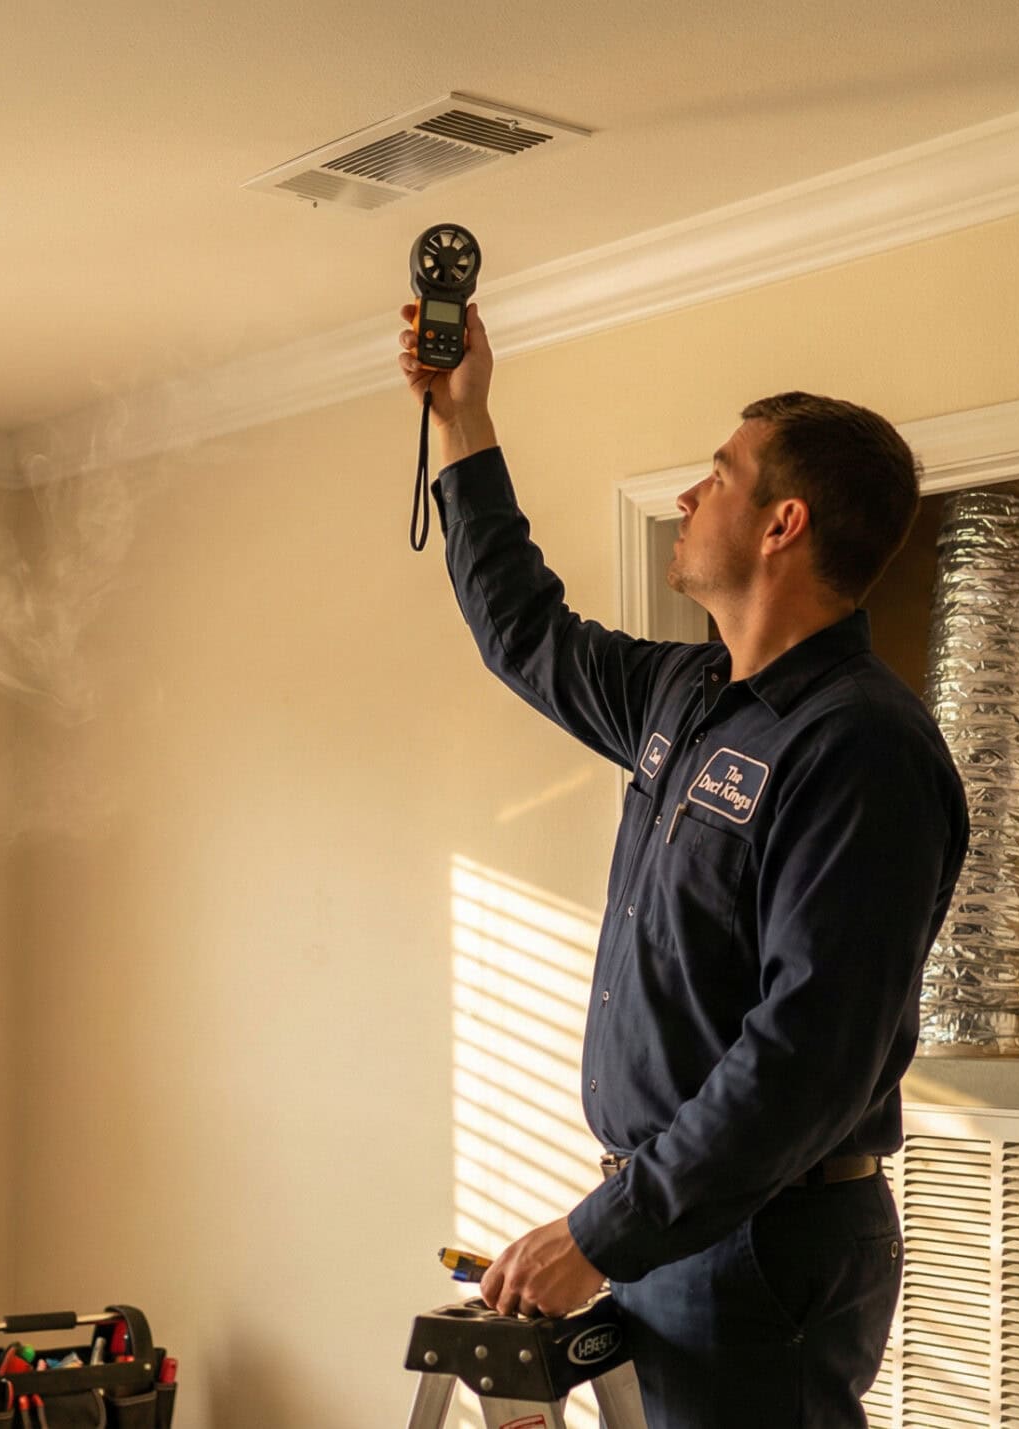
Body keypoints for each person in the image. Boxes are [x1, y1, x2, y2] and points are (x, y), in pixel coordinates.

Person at [399, 301, 969, 1427]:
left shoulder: (860, 747)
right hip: (673, 1220)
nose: (687, 495)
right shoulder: (684, 697)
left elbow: (805, 1055)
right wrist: (464, 420)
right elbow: (522, 628)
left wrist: (600, 1235)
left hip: (763, 1240)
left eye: (718, 474)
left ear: (780, 523)